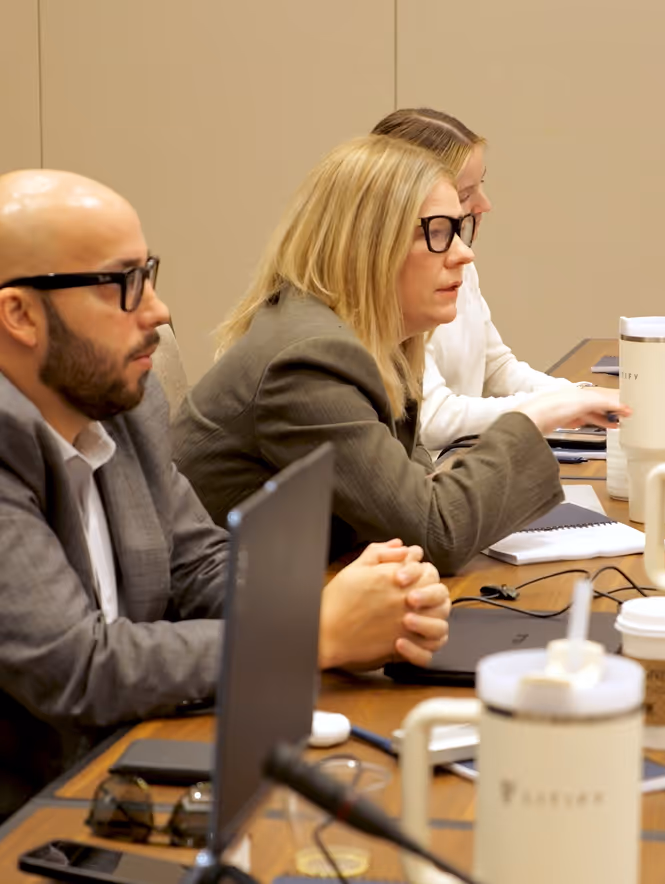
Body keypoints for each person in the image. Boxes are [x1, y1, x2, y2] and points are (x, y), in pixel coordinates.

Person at [0, 169, 451, 817]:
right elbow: (78, 666)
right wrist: (312, 635)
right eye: (121, 284)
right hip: (34, 817)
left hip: (136, 765)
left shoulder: (124, 404)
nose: (158, 311)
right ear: (19, 314)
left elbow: (199, 564)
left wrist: (361, 606)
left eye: (148, 274)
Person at [172, 135, 627, 575]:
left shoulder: (370, 337)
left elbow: (416, 492)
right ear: (367, 245)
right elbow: (435, 532)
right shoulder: (308, 363)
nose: (464, 254)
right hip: (230, 617)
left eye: (460, 230)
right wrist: (535, 416)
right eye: (438, 233)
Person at [372, 108, 581, 454]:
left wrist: (577, 396)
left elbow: (496, 367)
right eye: (465, 194)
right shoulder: (400, 284)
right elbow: (432, 419)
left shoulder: (458, 262)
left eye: (480, 185)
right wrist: (557, 407)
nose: (485, 205)